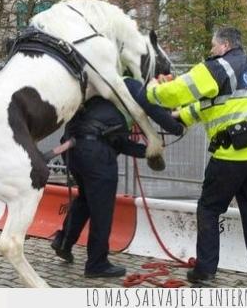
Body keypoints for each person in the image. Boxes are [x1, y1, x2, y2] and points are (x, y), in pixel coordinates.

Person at [146, 26, 247, 287]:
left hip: (234, 154)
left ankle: (205, 270)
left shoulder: (220, 66)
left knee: (209, 208)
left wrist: (152, 91)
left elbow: (178, 91)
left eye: (212, 46)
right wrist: (182, 116)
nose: (210, 50)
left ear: (225, 45)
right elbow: (216, 104)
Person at [51, 76, 184, 278]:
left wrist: (148, 151)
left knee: (85, 199)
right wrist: (178, 128)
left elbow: (119, 142)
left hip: (73, 148)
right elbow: (156, 111)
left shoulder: (108, 95)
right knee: (102, 209)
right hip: (95, 152)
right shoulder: (131, 85)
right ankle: (97, 264)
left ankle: (63, 242)